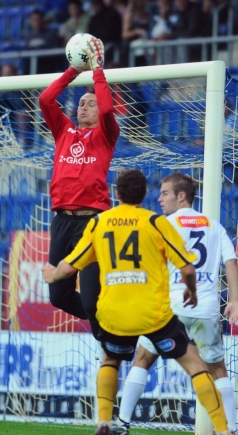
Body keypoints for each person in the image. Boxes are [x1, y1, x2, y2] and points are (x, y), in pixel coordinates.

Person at [42, 169, 232, 435]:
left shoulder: (99, 222)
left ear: (116, 194)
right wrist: (192, 290)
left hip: (113, 313)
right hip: (154, 314)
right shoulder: (156, 223)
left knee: (111, 360)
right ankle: (224, 430)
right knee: (198, 365)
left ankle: (107, 422)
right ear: (145, 194)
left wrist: (53, 274)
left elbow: (71, 264)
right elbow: (189, 268)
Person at [112, 172, 238, 435]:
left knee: (143, 359)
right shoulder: (214, 226)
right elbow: (231, 262)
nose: (159, 198)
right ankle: (232, 429)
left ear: (182, 196)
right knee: (217, 369)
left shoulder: (162, 225)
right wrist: (235, 299)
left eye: (165, 193)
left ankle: (122, 423)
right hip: (205, 309)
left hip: (171, 308)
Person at [39, 36, 120, 341]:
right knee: (58, 296)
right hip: (62, 221)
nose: (82, 106)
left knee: (88, 297)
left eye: (90, 103)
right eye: (81, 103)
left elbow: (108, 108)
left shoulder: (106, 134)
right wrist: (73, 71)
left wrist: (98, 71)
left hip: (91, 223)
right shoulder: (64, 131)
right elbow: (46, 100)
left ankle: (109, 338)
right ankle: (110, 321)